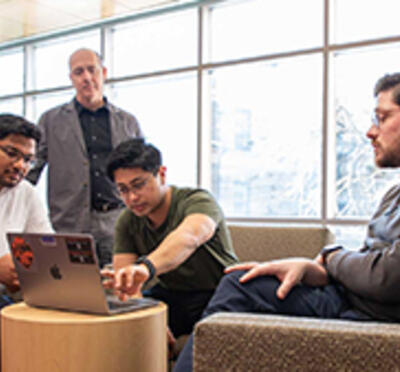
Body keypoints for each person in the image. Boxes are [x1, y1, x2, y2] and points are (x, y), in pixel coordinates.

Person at [173, 72, 400, 371]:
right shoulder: (393, 195)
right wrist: (312, 268)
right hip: (346, 299)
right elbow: (370, 263)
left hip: (367, 320)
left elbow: (387, 277)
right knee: (243, 282)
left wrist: (331, 257)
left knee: (240, 290)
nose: (371, 131)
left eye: (382, 118)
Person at [103, 138, 238, 345]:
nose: (132, 198)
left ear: (161, 174)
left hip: (219, 291)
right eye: (123, 190)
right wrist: (147, 319)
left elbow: (189, 237)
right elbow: (127, 286)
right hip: (174, 296)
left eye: (138, 185)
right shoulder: (128, 220)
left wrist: (147, 267)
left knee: (205, 341)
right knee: (118, 322)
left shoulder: (197, 200)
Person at [26, 48, 143, 268]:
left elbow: (143, 172)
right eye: (79, 72)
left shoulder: (128, 122)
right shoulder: (50, 121)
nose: (86, 77)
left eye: (92, 70)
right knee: (72, 293)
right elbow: (30, 169)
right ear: (71, 78)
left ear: (104, 72)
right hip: (68, 224)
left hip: (117, 222)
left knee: (117, 292)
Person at [0, 114, 53, 303]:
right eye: (12, 153)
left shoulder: (26, 193)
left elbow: (48, 248)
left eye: (28, 160)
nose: (20, 166)